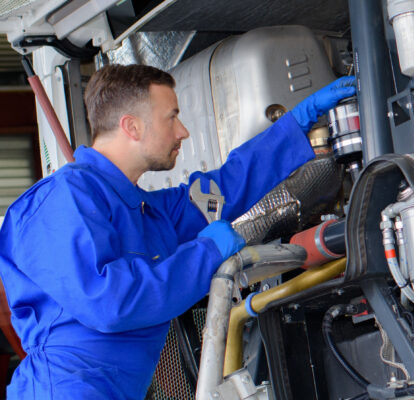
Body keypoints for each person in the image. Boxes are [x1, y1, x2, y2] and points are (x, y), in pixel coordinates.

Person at [0, 64, 356, 399]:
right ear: (132, 126)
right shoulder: (59, 200)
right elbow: (112, 302)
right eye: (171, 117)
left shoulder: (146, 211)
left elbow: (222, 188)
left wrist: (297, 121)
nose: (182, 131)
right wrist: (206, 253)